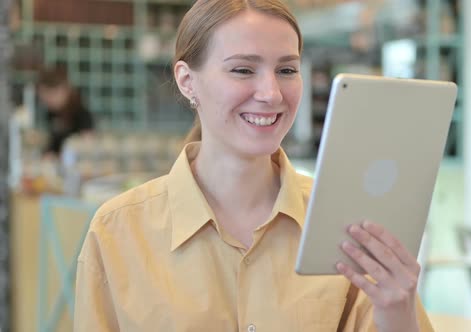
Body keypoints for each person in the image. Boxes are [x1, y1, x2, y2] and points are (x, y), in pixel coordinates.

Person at [74, 1, 434, 331]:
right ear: (187, 81)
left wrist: (397, 313)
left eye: (287, 69)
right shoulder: (117, 232)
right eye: (243, 69)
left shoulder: (347, 225)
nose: (272, 93)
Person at [37, 67, 94, 158]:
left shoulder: (81, 114)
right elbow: (54, 142)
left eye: (48, 96)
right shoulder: (52, 113)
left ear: (62, 90)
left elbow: (87, 147)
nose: (46, 102)